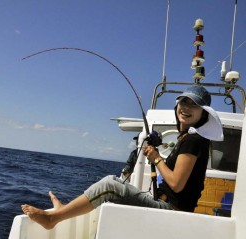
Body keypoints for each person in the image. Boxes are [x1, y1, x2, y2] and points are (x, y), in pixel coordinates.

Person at [21, 85, 223, 230]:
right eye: (184, 102)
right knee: (115, 184)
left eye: (193, 106)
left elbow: (177, 184)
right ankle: (63, 210)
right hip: (168, 206)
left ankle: (53, 218)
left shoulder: (194, 140)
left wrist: (156, 159)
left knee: (110, 184)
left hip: (171, 210)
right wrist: (157, 157)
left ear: (203, 114)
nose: (186, 108)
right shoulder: (188, 138)